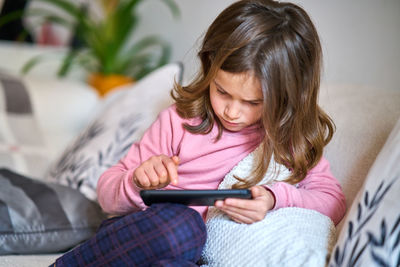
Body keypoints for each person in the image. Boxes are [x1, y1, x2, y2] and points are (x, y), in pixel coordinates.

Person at [53, 0, 346, 265]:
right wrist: (137, 180)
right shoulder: (179, 121)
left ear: (288, 95)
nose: (232, 111)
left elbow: (333, 201)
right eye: (221, 91)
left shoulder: (288, 141)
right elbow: (106, 192)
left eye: (253, 102)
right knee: (185, 226)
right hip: (142, 236)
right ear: (208, 68)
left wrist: (274, 198)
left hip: (196, 257)